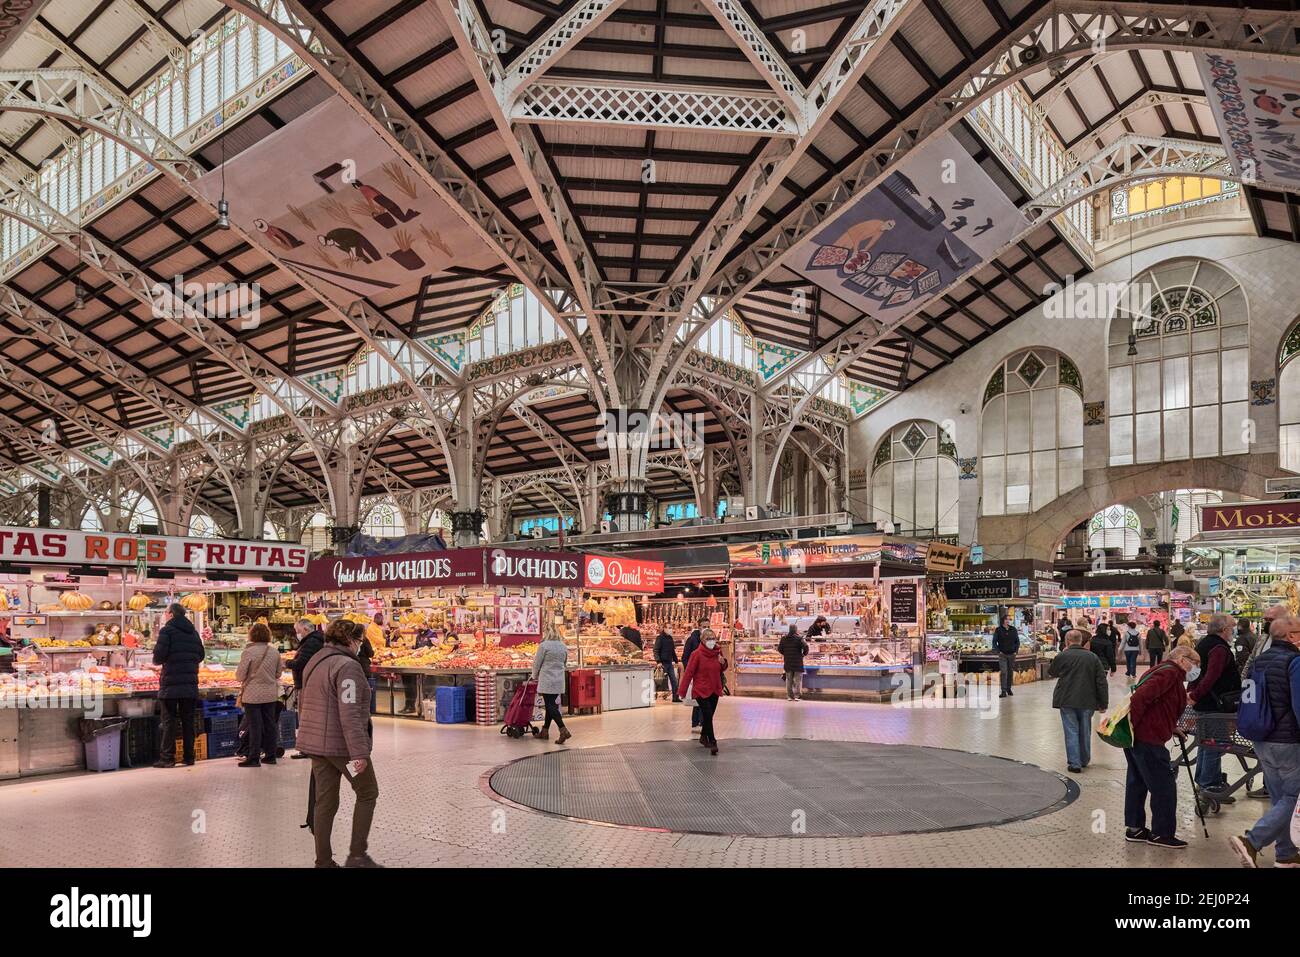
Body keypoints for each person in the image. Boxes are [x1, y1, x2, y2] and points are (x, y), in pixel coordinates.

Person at [297, 619, 381, 868]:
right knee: (367, 792)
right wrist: (359, 753)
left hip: (316, 746)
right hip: (342, 747)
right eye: (360, 641)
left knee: (325, 800)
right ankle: (357, 855)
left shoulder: (316, 660)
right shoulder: (348, 667)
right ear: (352, 640)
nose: (361, 646)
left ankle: (323, 861)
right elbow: (350, 713)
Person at [1228, 615, 1300, 868]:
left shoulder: (1259, 661)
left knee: (1281, 799)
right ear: (1291, 636)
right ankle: (1251, 841)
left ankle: (1286, 853)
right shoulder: (1295, 662)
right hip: (1287, 741)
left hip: (1262, 738)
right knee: (1294, 797)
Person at [1124, 645, 1200, 849]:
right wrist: (1139, 725)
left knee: (1137, 781)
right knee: (1164, 785)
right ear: (1183, 659)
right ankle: (1161, 833)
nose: (1196, 668)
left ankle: (1135, 828)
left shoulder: (1159, 669)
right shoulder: (1171, 673)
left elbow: (1159, 703)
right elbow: (1139, 698)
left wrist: (1171, 726)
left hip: (1139, 736)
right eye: (1195, 662)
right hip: (1148, 737)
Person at [1189, 612, 1243, 800]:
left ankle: (1204, 779)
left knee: (1206, 743)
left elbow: (1195, 673)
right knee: (1216, 744)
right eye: (1232, 626)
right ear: (1223, 629)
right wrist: (1195, 696)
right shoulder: (1219, 648)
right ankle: (1210, 785)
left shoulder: (1204, 643)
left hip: (1205, 703)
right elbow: (1211, 677)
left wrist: (1193, 694)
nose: (1234, 629)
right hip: (1214, 704)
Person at [1049, 629, 1108, 774]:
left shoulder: (1063, 655)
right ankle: (1084, 759)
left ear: (1067, 641)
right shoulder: (1092, 657)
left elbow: (1052, 672)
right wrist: (1103, 703)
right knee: (1085, 730)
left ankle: (1074, 763)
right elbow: (1101, 681)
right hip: (1087, 700)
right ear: (1081, 640)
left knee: (1071, 730)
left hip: (1067, 699)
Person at [152, 604, 204, 768]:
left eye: (166, 613)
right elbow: (201, 655)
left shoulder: (167, 631)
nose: (165, 616)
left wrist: (161, 661)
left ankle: (167, 758)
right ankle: (189, 757)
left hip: (171, 684)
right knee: (188, 721)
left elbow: (159, 657)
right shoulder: (193, 632)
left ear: (171, 614)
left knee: (169, 722)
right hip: (190, 684)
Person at [235, 622, 284, 768]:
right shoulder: (274, 652)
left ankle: (254, 757)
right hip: (270, 694)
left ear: (252, 635)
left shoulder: (248, 652)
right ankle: (270, 755)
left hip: (252, 695)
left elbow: (240, 676)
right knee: (270, 724)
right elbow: (278, 673)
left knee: (255, 725)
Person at [679, 627, 727, 755]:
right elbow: (688, 673)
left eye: (713, 639)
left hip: (715, 688)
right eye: (708, 639)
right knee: (707, 714)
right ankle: (713, 741)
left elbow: (722, 668)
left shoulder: (718, 652)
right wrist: (682, 691)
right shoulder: (696, 654)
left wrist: (723, 663)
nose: (711, 641)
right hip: (701, 690)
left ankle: (703, 736)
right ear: (702, 640)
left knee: (709, 715)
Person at [531, 624, 571, 745]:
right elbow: (565, 662)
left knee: (550, 706)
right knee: (551, 705)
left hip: (547, 680)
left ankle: (563, 730)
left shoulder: (544, 646)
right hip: (559, 679)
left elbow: (537, 663)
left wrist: (534, 676)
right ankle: (545, 731)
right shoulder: (563, 646)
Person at [682, 620, 704, 734]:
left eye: (708, 626)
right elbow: (685, 657)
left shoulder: (708, 640)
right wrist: (689, 671)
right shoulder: (692, 640)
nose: (707, 628)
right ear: (699, 627)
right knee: (698, 700)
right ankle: (697, 723)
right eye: (704, 626)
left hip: (706, 676)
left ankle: (700, 723)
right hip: (696, 674)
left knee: (703, 700)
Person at [778, 624, 809, 701]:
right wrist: (803, 654)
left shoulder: (784, 638)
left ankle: (789, 696)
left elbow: (779, 649)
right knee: (797, 680)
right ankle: (797, 696)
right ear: (795, 630)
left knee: (789, 680)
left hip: (788, 661)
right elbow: (806, 647)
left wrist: (785, 654)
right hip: (797, 662)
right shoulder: (799, 638)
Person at [993, 615, 1020, 698]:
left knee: (1010, 672)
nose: (1008, 621)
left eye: (1009, 620)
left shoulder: (1013, 629)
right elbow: (994, 642)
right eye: (1006, 619)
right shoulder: (998, 630)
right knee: (1004, 672)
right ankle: (1003, 691)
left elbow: (1017, 641)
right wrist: (998, 651)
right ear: (1003, 620)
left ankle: (1009, 688)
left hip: (1012, 654)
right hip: (1003, 655)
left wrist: (1016, 651)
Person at [654, 627, 680, 702]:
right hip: (662, 663)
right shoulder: (659, 638)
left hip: (669, 662)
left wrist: (676, 660)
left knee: (674, 680)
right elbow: (656, 650)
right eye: (669, 628)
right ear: (664, 628)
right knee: (660, 681)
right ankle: (653, 694)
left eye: (671, 628)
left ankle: (675, 697)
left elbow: (672, 651)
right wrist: (658, 661)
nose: (670, 629)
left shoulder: (670, 638)